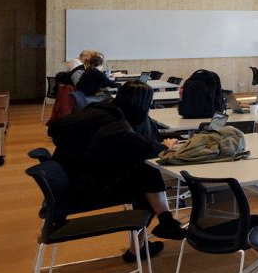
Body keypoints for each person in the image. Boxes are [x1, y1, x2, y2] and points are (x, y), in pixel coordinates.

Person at [48, 82, 187, 255]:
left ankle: (149, 238)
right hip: (78, 190)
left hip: (70, 177)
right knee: (144, 177)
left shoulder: (102, 112)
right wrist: (167, 146)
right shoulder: (114, 125)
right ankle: (155, 232)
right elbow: (141, 146)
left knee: (143, 175)